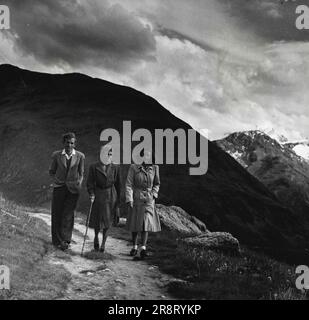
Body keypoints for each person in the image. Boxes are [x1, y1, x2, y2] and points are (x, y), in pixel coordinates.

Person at [49, 132, 85, 251]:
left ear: (74, 144)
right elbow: (52, 171)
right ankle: (56, 240)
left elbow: (81, 173)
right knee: (57, 213)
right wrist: (56, 181)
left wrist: (79, 182)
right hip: (59, 187)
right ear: (63, 143)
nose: (69, 145)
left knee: (68, 214)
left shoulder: (80, 156)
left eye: (72, 143)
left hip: (73, 189)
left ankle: (66, 240)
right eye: (67, 142)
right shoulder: (57, 155)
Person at [125, 150, 161, 259]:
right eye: (145, 156)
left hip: (149, 200)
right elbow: (129, 184)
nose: (147, 158)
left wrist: (154, 194)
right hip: (136, 198)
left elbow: (157, 183)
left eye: (149, 156)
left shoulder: (155, 168)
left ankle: (143, 248)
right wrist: (129, 198)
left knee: (146, 223)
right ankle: (134, 247)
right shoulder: (133, 167)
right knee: (136, 223)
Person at [86, 145, 121, 252]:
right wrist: (91, 193)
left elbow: (119, 185)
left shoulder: (116, 167)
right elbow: (90, 183)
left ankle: (103, 244)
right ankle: (96, 237)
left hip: (111, 195)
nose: (108, 156)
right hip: (98, 194)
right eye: (106, 154)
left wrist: (118, 202)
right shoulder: (94, 166)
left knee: (107, 220)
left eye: (110, 154)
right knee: (97, 219)